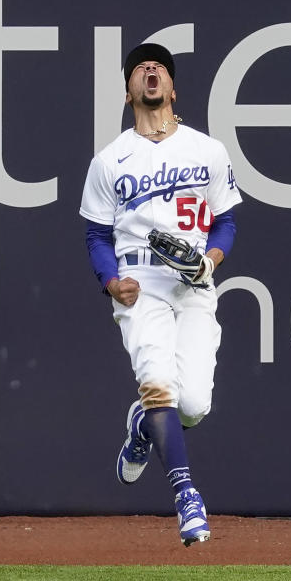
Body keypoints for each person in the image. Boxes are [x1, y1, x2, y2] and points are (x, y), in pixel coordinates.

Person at [79, 43, 241, 546]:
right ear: (129, 91)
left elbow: (226, 221)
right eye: (139, 68)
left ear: (172, 88)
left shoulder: (207, 150)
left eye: (159, 68)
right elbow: (96, 235)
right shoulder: (109, 161)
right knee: (158, 384)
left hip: (193, 283)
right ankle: (186, 496)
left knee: (192, 404)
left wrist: (208, 261)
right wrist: (111, 281)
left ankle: (143, 427)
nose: (149, 71)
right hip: (140, 284)